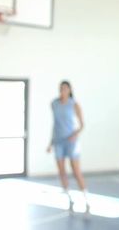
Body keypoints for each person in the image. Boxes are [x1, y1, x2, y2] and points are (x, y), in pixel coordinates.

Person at [46, 81, 89, 213]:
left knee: (76, 170)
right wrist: (50, 143)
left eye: (65, 88)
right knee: (62, 171)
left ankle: (86, 199)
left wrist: (74, 134)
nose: (63, 90)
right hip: (58, 141)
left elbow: (82, 125)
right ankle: (70, 199)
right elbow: (55, 124)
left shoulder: (75, 104)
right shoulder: (54, 104)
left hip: (71, 142)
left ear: (70, 90)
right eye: (61, 88)